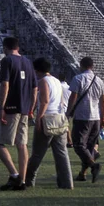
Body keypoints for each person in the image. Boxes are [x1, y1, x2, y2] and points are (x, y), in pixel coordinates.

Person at [0, 37, 38, 190]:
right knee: (21, 144)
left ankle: (14, 174)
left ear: (6, 47)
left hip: (11, 108)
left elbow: (5, 84)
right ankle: (22, 181)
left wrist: (3, 106)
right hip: (25, 109)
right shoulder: (28, 62)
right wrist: (31, 108)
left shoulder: (7, 61)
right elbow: (34, 88)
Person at [25, 58, 73, 189]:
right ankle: (67, 182)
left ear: (37, 70)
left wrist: (39, 118)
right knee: (62, 153)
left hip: (48, 118)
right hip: (59, 118)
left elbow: (45, 101)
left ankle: (28, 180)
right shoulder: (57, 81)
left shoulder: (42, 81)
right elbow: (61, 101)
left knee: (37, 153)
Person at [66, 57, 104, 183]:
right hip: (96, 117)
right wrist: (103, 117)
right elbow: (103, 101)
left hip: (83, 116)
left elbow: (73, 97)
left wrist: (68, 113)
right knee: (89, 146)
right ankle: (83, 173)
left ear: (81, 65)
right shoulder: (99, 81)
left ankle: (94, 166)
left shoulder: (78, 78)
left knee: (78, 145)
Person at [58, 73, 73, 148]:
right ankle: (66, 141)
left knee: (64, 126)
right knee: (65, 125)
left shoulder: (58, 86)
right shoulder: (69, 87)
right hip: (68, 108)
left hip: (60, 108)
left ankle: (69, 141)